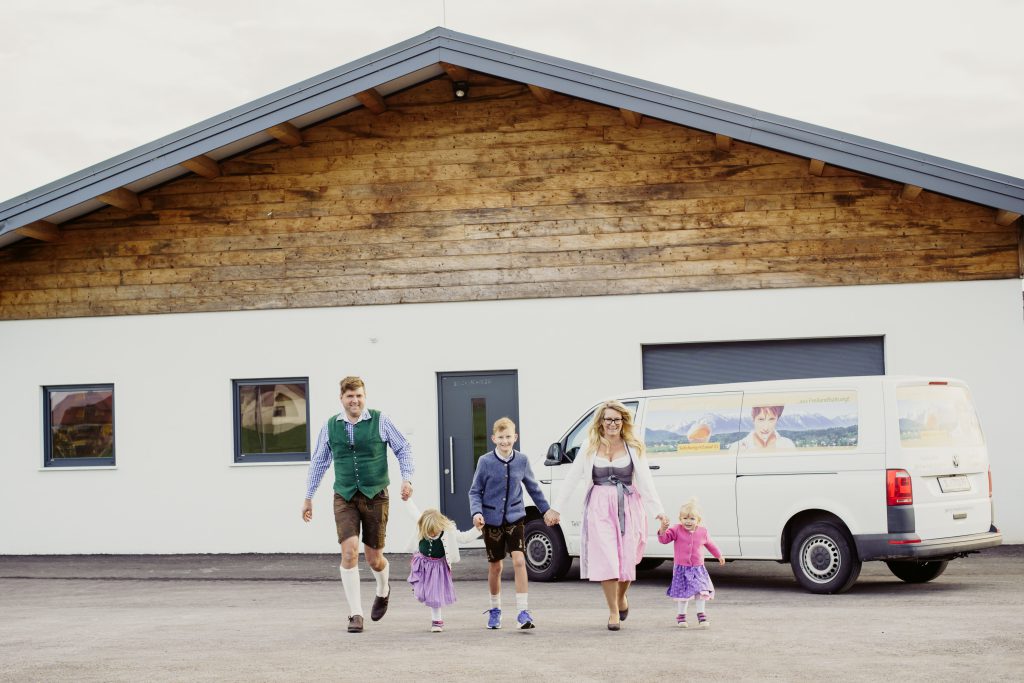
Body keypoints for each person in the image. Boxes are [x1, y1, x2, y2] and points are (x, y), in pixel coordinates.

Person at [301, 376, 414, 634]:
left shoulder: (381, 420)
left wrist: (407, 478)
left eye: (359, 395)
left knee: (374, 559)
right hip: (345, 495)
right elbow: (319, 462)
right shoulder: (330, 426)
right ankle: (355, 614)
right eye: (350, 396)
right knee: (349, 552)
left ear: (365, 397)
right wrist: (308, 497)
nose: (355, 400)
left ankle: (383, 589)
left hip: (376, 494)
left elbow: (403, 448)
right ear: (341, 398)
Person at [544, 401, 669, 631]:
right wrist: (556, 508)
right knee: (607, 559)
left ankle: (621, 598)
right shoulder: (589, 446)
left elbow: (645, 481)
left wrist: (658, 512)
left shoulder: (633, 446)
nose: (612, 423)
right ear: (601, 422)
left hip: (629, 506)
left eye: (617, 419)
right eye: (608, 419)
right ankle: (613, 611)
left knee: (627, 561)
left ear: (623, 422)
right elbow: (572, 478)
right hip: (599, 507)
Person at [468, 417, 551, 630]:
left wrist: (546, 510)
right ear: (493, 438)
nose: (505, 441)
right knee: (495, 566)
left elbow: (533, 488)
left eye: (508, 437)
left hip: (515, 518)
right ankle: (495, 610)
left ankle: (523, 612)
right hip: (491, 521)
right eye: (500, 437)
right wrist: (477, 513)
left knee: (519, 561)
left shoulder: (522, 460)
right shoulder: (485, 462)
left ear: (515, 437)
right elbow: (475, 491)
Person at [405, 505, 481, 632]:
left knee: (434, 594)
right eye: (429, 532)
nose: (432, 534)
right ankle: (421, 589)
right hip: (422, 564)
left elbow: (464, 538)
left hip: (437, 568)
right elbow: (413, 512)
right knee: (421, 592)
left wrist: (477, 529)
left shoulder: (448, 530)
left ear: (440, 525)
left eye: (434, 531)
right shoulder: (422, 524)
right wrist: (407, 500)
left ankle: (437, 621)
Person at [658, 498, 725, 628]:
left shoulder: (703, 532)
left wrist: (719, 555)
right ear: (680, 519)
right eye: (685, 518)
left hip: (698, 569)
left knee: (701, 591)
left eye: (692, 519)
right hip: (681, 569)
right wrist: (662, 530)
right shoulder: (676, 530)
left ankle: (701, 615)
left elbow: (710, 544)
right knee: (683, 593)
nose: (688, 521)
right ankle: (681, 616)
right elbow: (664, 539)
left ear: (698, 520)